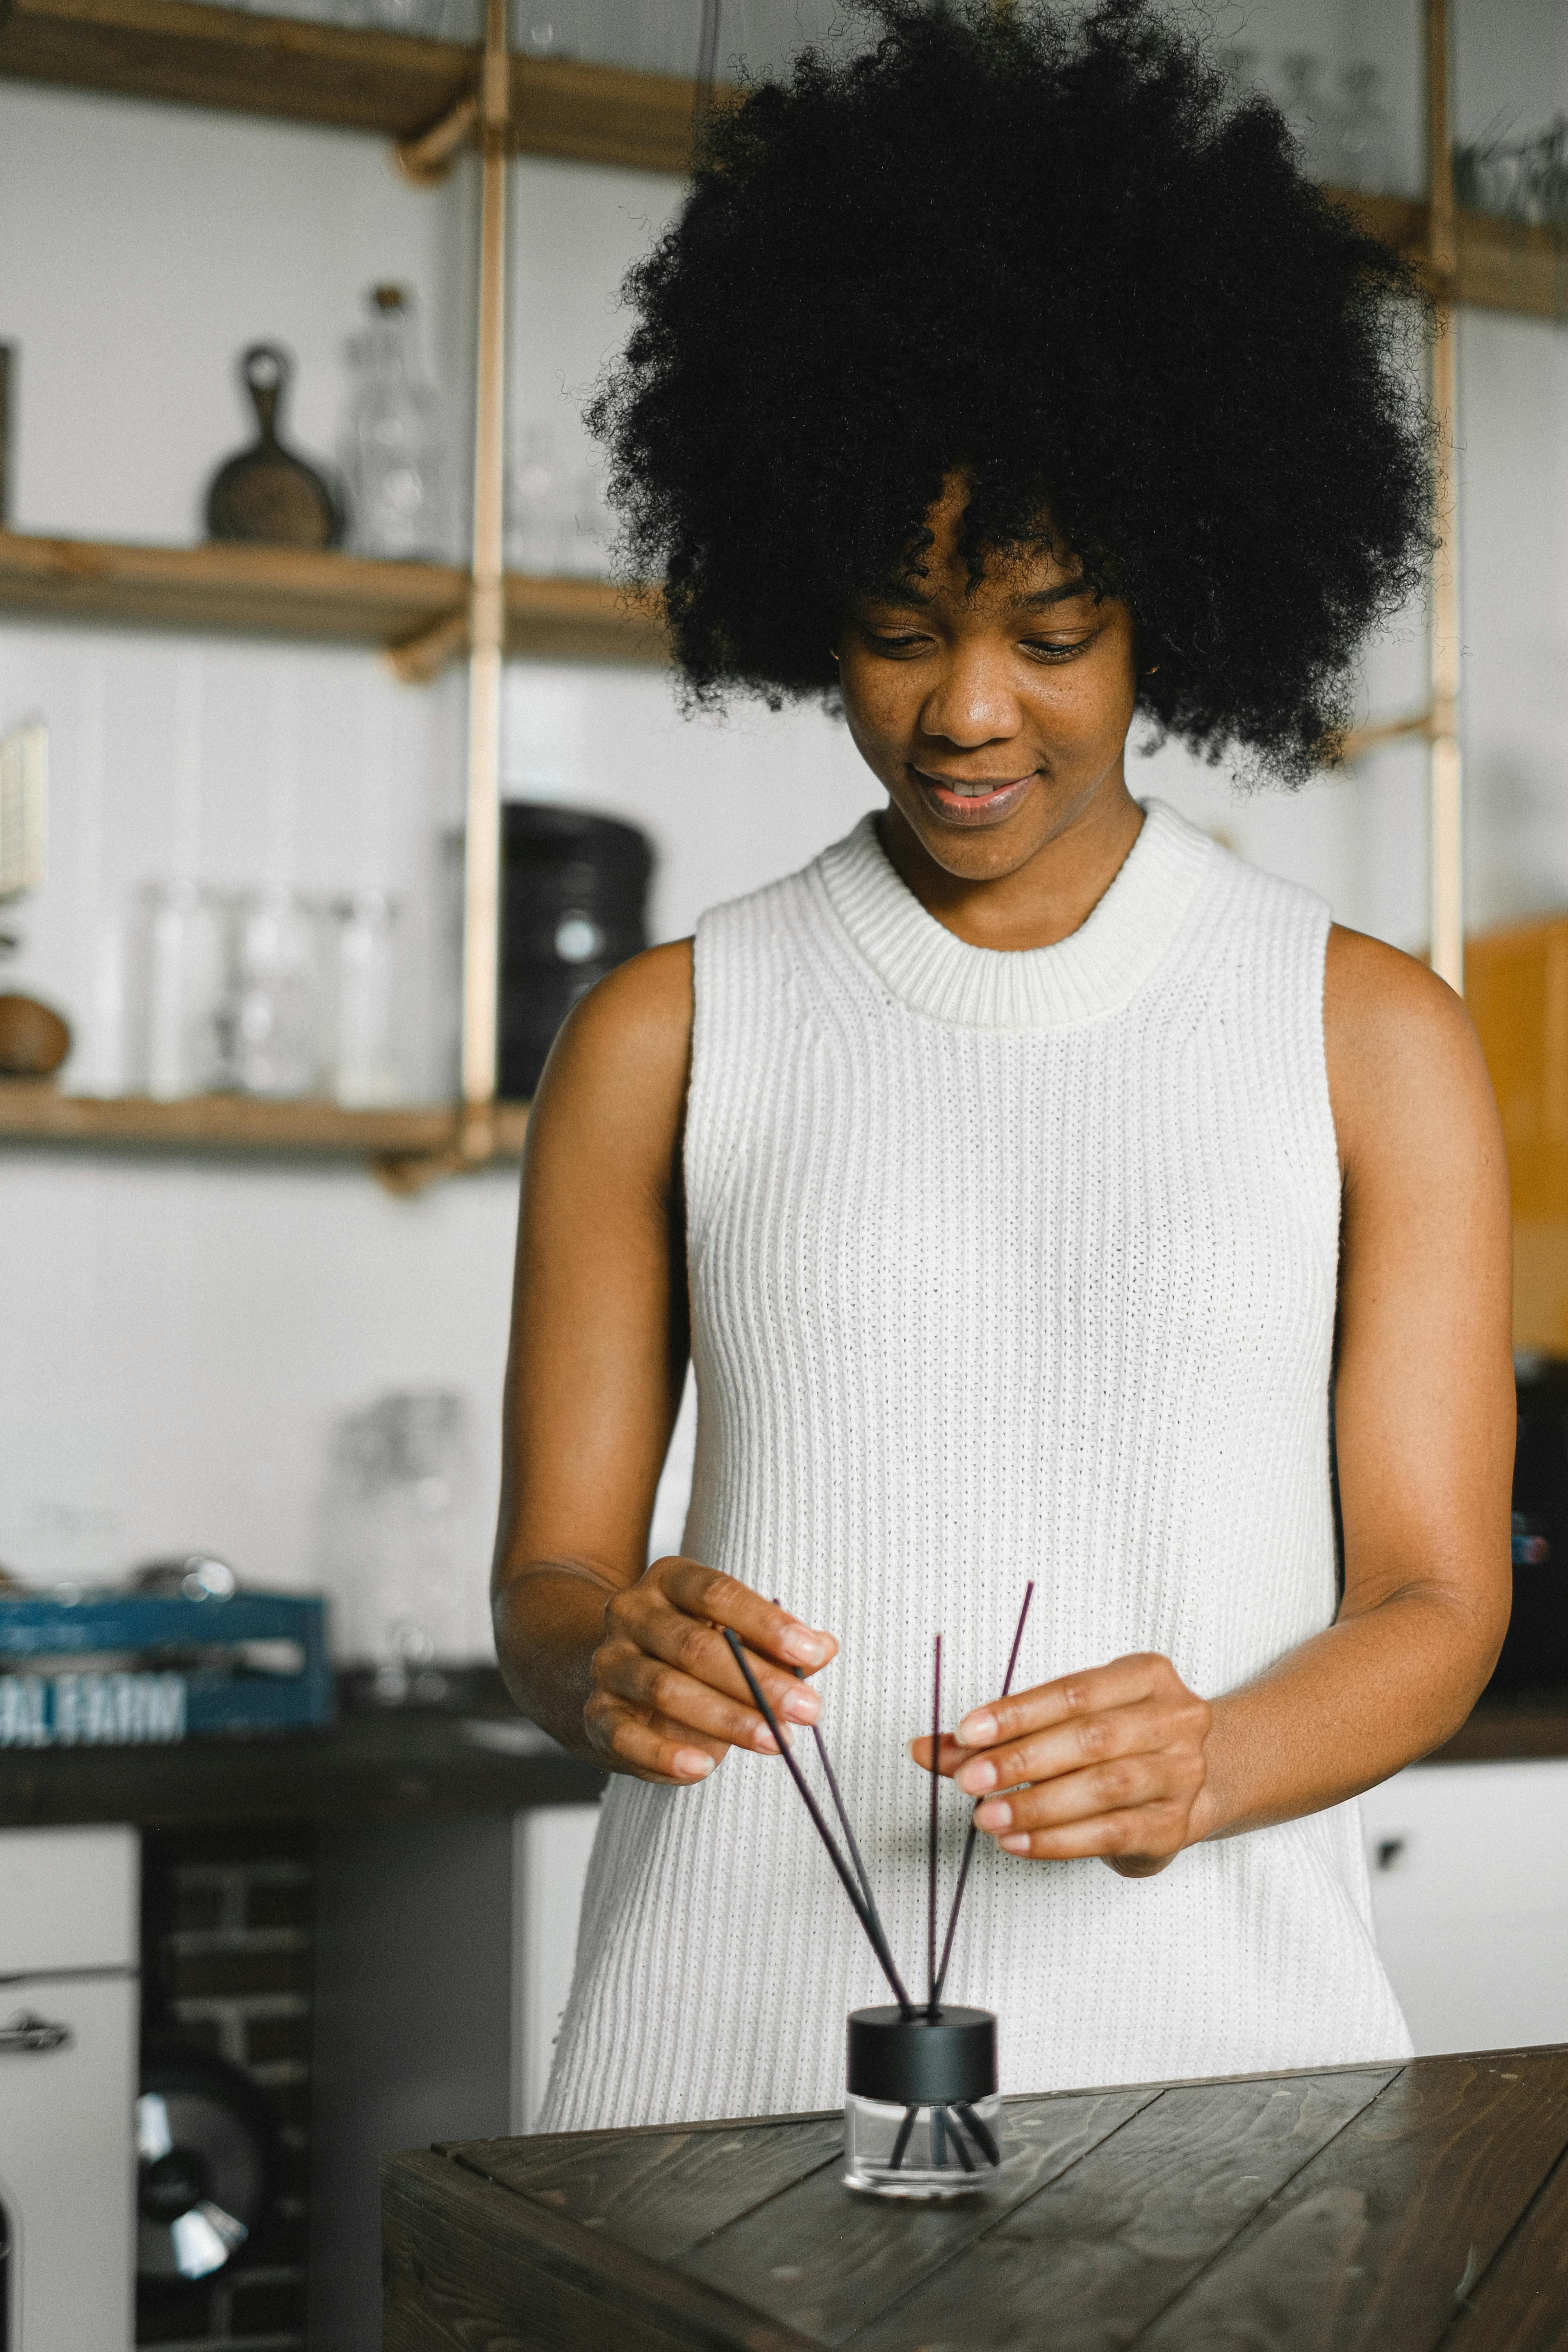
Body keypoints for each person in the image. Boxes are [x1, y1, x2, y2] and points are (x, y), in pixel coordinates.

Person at [492, 0, 1512, 2132]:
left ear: (1180, 614)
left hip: (1231, 2079)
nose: (968, 706)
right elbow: (549, 1583)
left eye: (1054, 631)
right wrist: (610, 1649)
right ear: (795, 599)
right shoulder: (664, 1035)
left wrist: (1211, 1757)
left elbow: (1435, 1596)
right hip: (714, 2071)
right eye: (896, 623)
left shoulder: (1370, 1034)